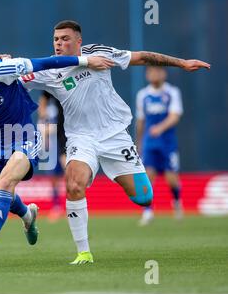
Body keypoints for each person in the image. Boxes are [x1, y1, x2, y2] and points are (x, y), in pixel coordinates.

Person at [19, 20, 210, 265]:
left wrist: (182, 63)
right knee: (74, 183)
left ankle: (117, 175)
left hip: (115, 136)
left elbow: (141, 57)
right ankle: (83, 253)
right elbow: (15, 76)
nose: (59, 43)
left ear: (79, 41)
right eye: (56, 39)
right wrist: (2, 64)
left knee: (144, 197)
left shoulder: (99, 53)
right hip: (81, 138)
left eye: (65, 38)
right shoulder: (48, 70)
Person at [0, 31, 113, 267]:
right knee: (3, 195)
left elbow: (46, 62)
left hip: (23, 136)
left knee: (4, 185)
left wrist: (85, 61)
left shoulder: (5, 68)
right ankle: (27, 215)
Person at [136, 66, 184, 226]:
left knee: (171, 177)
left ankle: (177, 203)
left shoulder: (172, 92)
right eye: (151, 72)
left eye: (157, 71)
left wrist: (161, 128)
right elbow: (141, 121)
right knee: (148, 176)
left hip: (167, 143)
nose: (154, 74)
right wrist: (139, 143)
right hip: (150, 143)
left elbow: (175, 116)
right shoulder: (143, 95)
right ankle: (148, 211)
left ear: (164, 74)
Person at [37, 91, 67, 221]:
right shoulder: (47, 111)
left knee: (69, 174)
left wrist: (51, 129)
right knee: (54, 179)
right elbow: (42, 129)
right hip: (52, 149)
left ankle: (71, 206)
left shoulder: (60, 108)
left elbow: (56, 127)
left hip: (63, 144)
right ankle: (56, 207)